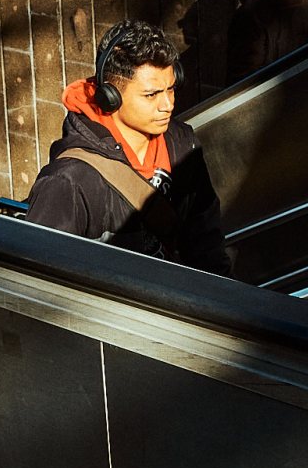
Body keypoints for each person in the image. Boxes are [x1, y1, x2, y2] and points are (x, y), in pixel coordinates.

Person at [26, 20, 231, 276]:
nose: (167, 104)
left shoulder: (182, 142)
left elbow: (207, 241)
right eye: (151, 95)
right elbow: (41, 279)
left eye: (171, 89)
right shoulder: (68, 181)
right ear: (110, 96)